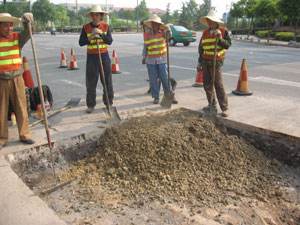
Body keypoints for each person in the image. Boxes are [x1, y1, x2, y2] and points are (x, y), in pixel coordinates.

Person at [0, 12, 35, 150]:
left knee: (21, 107)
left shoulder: (17, 38)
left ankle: (24, 134)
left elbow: (28, 32)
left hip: (17, 78)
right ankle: (2, 138)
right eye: (5, 26)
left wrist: (28, 21)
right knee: (1, 110)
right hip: (1, 80)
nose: (9, 28)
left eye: (11, 25)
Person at [79, 5, 114, 113]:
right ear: (91, 16)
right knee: (91, 82)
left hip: (104, 56)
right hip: (92, 57)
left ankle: (108, 103)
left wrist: (100, 34)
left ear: (101, 16)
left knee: (107, 81)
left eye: (97, 15)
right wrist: (91, 36)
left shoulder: (106, 26)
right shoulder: (86, 27)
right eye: (93, 15)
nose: (95, 17)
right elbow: (81, 42)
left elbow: (109, 41)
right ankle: (91, 105)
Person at [197, 9, 231, 117]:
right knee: (207, 85)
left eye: (211, 21)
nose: (209, 23)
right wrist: (199, 62)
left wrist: (220, 38)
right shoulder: (205, 33)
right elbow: (201, 48)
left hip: (217, 62)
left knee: (218, 84)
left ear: (216, 22)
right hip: (205, 61)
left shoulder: (223, 31)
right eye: (208, 21)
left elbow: (227, 45)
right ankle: (212, 105)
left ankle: (224, 107)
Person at [142, 14, 177, 105]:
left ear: (159, 24)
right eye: (153, 23)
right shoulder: (147, 34)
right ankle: (156, 97)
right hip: (150, 60)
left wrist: (169, 30)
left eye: (156, 23)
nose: (154, 25)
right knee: (153, 79)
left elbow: (169, 37)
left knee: (165, 78)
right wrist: (144, 56)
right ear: (151, 24)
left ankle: (169, 95)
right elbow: (145, 46)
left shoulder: (163, 32)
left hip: (162, 59)